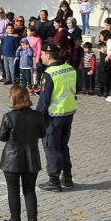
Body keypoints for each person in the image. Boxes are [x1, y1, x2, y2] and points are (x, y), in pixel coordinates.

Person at [0, 85, 46, 221]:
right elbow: (42, 133)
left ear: (14, 98)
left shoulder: (9, 116)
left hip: (11, 160)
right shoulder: (37, 115)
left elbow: (1, 136)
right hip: (31, 158)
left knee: (13, 191)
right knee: (29, 191)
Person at [36, 42, 77, 193]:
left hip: (53, 116)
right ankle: (67, 177)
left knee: (51, 147)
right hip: (69, 112)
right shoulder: (70, 68)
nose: (40, 56)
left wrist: (37, 119)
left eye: (41, 54)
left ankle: (54, 180)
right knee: (63, 145)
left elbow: (44, 99)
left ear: (48, 55)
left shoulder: (49, 73)